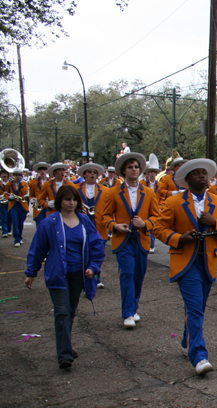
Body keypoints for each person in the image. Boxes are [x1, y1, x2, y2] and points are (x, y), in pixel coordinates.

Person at [155, 159, 217, 375]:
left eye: (204, 173)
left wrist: (214, 223)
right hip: (185, 261)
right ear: (187, 178)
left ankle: (186, 341)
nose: (202, 176)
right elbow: (159, 228)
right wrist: (179, 238)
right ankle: (199, 356)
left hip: (208, 261)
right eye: (197, 173)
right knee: (196, 307)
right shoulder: (174, 202)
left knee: (197, 307)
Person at [24, 186, 105, 369]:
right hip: (57, 274)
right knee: (62, 311)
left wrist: (93, 267)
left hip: (78, 275)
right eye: (67, 199)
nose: (71, 203)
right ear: (60, 201)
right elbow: (38, 249)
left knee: (70, 311)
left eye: (74, 199)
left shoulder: (84, 220)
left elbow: (97, 244)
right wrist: (31, 273)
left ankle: (65, 345)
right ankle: (64, 355)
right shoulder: (49, 222)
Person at [100, 152, 161, 329]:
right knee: (127, 273)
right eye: (130, 167)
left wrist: (145, 223)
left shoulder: (148, 192)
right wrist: (115, 226)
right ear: (123, 171)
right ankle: (127, 313)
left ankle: (133, 307)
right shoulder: (113, 192)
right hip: (123, 240)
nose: (134, 169)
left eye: (136, 167)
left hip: (141, 239)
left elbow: (157, 217)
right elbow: (105, 216)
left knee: (138, 275)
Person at [4, 169, 28, 246]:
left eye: (19, 175)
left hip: (22, 205)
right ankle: (16, 239)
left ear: (21, 176)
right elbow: (6, 194)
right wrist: (9, 197)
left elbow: (25, 192)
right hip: (13, 205)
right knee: (15, 222)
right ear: (14, 176)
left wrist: (21, 183)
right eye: (16, 175)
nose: (17, 177)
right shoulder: (9, 184)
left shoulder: (24, 183)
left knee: (20, 223)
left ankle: (20, 237)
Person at [28, 163, 50, 228]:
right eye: (40, 170)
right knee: (39, 228)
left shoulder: (51, 182)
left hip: (48, 207)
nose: (42, 171)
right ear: (38, 171)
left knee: (49, 228)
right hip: (38, 208)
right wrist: (32, 200)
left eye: (44, 169)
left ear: (47, 171)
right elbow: (31, 195)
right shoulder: (33, 182)